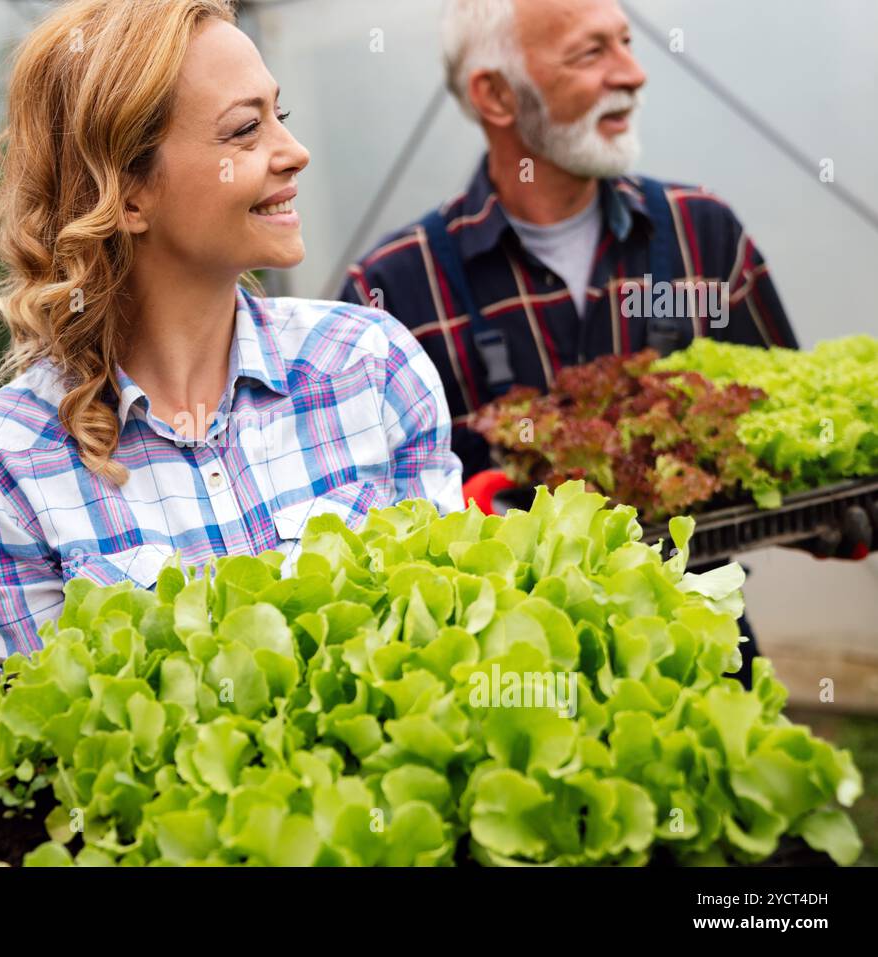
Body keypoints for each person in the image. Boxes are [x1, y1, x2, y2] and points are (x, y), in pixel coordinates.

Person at [0, 0, 464, 865]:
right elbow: (38, 784)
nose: (292, 150)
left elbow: (456, 667)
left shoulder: (371, 366)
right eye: (245, 131)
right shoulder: (2, 465)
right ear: (126, 193)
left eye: (282, 115)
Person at [337, 0, 832, 692]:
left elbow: (792, 445)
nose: (632, 73)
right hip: (505, 684)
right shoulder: (395, 290)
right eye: (590, 52)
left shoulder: (703, 236)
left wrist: (836, 514)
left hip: (704, 654)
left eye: (625, 42)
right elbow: (371, 537)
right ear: (497, 94)